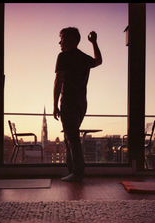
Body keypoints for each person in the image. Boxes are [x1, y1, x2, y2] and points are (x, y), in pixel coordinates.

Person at [53, 27, 102, 182]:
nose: (59, 42)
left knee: (71, 137)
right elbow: (98, 61)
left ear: (70, 40)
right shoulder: (83, 58)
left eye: (62, 38)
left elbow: (58, 81)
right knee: (70, 136)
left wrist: (54, 104)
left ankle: (77, 172)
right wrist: (94, 43)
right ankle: (73, 171)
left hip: (68, 101)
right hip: (82, 102)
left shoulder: (63, 56)